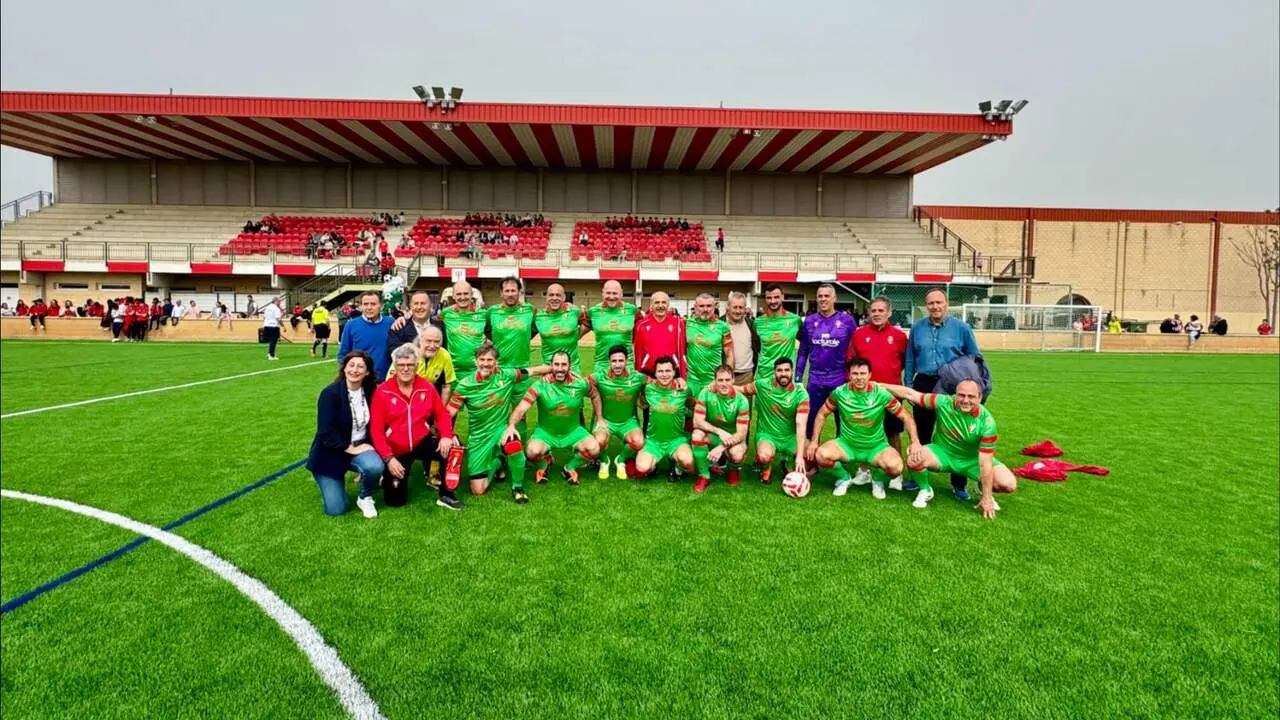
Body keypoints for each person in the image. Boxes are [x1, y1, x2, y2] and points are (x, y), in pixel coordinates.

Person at [879, 379, 1018, 519]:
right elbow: (911, 394)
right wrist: (878, 385)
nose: (965, 400)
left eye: (971, 396)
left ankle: (982, 488)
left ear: (980, 397)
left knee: (1008, 484)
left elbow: (985, 463)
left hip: (972, 460)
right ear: (955, 394)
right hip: (942, 453)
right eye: (961, 395)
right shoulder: (943, 402)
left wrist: (987, 498)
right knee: (914, 458)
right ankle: (925, 490)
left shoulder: (987, 423)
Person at [445, 342, 552, 499]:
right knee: (478, 490)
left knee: (514, 444)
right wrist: (448, 433)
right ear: (475, 361)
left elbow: (533, 370)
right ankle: (499, 461)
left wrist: (554, 370)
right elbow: (448, 413)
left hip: (501, 430)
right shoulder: (465, 385)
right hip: (479, 437)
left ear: (496, 362)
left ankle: (517, 488)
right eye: (482, 360)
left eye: (490, 360)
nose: (485, 364)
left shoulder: (506, 375)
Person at [807, 358, 921, 503]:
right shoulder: (840, 393)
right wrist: (814, 441)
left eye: (863, 373)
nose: (859, 377)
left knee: (896, 468)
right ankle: (844, 478)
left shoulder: (881, 394)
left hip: (875, 447)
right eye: (855, 374)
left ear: (869, 375)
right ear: (849, 375)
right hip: (847, 445)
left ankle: (877, 481)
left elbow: (906, 417)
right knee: (821, 455)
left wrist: (915, 441)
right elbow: (821, 414)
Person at [904, 288, 981, 500]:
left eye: (939, 302)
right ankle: (918, 476)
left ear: (946, 303)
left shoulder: (962, 328)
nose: (935, 306)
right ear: (926, 305)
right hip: (924, 383)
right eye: (931, 303)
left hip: (952, 385)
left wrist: (971, 387)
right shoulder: (917, 328)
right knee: (921, 432)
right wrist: (909, 384)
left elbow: (974, 357)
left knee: (958, 434)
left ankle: (959, 484)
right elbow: (910, 358)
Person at [369, 344, 460, 510]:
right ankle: (388, 475)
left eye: (410, 365)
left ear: (416, 366)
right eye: (401, 365)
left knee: (454, 447)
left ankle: (447, 494)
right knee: (395, 501)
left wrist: (447, 435)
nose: (405, 369)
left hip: (421, 441)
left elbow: (442, 414)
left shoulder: (427, 387)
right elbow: (376, 430)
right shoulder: (383, 392)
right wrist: (389, 459)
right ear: (395, 367)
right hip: (397, 449)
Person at [505, 351, 605, 498]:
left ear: (569, 366)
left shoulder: (580, 384)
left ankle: (569, 468)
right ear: (551, 366)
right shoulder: (540, 385)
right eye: (556, 364)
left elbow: (595, 395)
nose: (560, 368)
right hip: (546, 432)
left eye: (564, 364)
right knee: (531, 452)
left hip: (573, 431)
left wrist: (600, 418)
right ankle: (544, 464)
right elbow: (521, 409)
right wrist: (511, 425)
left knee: (594, 449)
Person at [306, 351, 386, 518]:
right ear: (344, 368)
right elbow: (325, 433)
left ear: (367, 372)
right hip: (331, 452)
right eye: (351, 365)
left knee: (374, 466)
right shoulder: (330, 394)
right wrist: (351, 448)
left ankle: (365, 497)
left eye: (360, 367)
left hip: (359, 446)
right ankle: (331, 481)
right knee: (336, 510)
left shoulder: (371, 392)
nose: (355, 370)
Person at [848, 296, 910, 490]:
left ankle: (896, 474)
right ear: (868, 312)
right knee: (865, 432)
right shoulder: (859, 334)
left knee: (893, 433)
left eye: (881, 310)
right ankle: (864, 470)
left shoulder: (899, 337)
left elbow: (906, 363)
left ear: (889, 312)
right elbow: (851, 362)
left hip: (891, 394)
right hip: (865, 394)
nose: (876, 314)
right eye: (873, 310)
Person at [796, 283, 857, 438]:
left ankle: (841, 451)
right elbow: (803, 352)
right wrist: (798, 378)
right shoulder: (809, 321)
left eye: (827, 296)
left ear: (834, 298)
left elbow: (855, 351)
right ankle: (811, 451)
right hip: (815, 379)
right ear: (816, 299)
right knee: (811, 420)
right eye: (820, 296)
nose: (823, 299)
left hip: (839, 378)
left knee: (843, 421)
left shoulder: (847, 321)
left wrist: (853, 375)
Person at [739, 357, 809, 485]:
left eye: (786, 370)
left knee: (811, 454)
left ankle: (788, 462)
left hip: (790, 437)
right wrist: (717, 386)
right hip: (768, 435)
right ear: (774, 372)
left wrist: (799, 456)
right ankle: (766, 468)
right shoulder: (762, 385)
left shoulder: (801, 394)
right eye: (779, 370)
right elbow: (741, 390)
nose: (783, 373)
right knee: (764, 456)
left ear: (792, 371)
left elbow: (801, 424)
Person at [590, 344, 650, 480]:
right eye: (614, 361)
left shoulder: (638, 377)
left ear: (626, 361)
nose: (617, 365)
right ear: (609, 362)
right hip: (606, 421)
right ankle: (604, 461)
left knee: (639, 442)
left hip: (628, 422)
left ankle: (620, 460)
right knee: (598, 442)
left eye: (621, 361)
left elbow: (659, 383)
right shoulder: (599, 377)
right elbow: (578, 383)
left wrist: (677, 382)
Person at [691, 365, 752, 492]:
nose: (724, 384)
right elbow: (697, 422)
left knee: (737, 454)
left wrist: (721, 448)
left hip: (733, 438)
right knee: (697, 435)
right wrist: (719, 432)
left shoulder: (742, 401)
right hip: (713, 434)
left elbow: (741, 433)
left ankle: (732, 469)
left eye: (727, 380)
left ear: (733, 380)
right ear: (715, 381)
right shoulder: (705, 393)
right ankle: (704, 475)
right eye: (720, 380)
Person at [634, 356, 695, 480]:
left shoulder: (684, 390)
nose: (664, 374)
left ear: (674, 372)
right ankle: (654, 466)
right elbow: (641, 403)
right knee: (642, 468)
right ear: (655, 373)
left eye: (668, 371)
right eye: (660, 371)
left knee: (688, 462)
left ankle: (677, 467)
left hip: (676, 441)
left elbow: (692, 404)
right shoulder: (649, 388)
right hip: (653, 441)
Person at [487, 276, 538, 411]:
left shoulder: (530, 310)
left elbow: (535, 329)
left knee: (520, 413)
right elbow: (486, 330)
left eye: (513, 290)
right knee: (497, 412)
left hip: (522, 370)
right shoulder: (492, 312)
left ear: (519, 292)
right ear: (501, 293)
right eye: (507, 291)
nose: (510, 294)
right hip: (499, 370)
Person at [582, 280, 642, 377]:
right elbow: (576, 335)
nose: (611, 297)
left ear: (621, 294)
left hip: (626, 365)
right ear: (602, 293)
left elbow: (644, 333)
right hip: (601, 365)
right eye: (608, 293)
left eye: (615, 293)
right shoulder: (593, 312)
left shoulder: (633, 311)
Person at [683, 293, 733, 397]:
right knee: (692, 408)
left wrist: (725, 379)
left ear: (714, 306)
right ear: (695, 307)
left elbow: (730, 355)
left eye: (709, 306)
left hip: (713, 382)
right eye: (701, 306)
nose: (705, 309)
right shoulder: (687, 324)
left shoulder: (723, 326)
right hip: (691, 381)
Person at [338, 291, 395, 378]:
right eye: (365, 304)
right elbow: (343, 354)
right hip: (360, 380)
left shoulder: (391, 323)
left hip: (385, 379)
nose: (369, 307)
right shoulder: (351, 325)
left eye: (373, 304)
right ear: (361, 306)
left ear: (381, 305)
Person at [754, 284, 803, 382]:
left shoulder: (795, 320)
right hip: (764, 376)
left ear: (782, 297)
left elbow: (803, 345)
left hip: (784, 375)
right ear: (765, 299)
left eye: (776, 297)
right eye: (769, 298)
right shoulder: (757, 322)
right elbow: (756, 346)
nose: (773, 301)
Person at [439, 281, 489, 376]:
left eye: (466, 293)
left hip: (478, 371)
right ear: (453, 296)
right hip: (452, 371)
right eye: (458, 294)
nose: (462, 297)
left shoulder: (483, 314)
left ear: (471, 295)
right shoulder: (445, 314)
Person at [634, 291, 686, 378]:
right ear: (651, 305)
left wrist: (682, 375)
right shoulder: (641, 325)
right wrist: (638, 374)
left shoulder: (678, 323)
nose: (660, 306)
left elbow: (681, 351)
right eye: (657, 302)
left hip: (671, 372)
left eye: (664, 302)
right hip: (648, 372)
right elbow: (638, 352)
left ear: (668, 305)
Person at [535, 283, 584, 374]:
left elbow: (587, 322)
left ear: (564, 297)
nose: (554, 298)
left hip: (572, 368)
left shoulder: (574, 311)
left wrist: (577, 335)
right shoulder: (538, 317)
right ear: (546, 297)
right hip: (548, 369)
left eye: (558, 295)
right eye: (551, 295)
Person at [387, 290, 444, 365]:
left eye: (423, 303)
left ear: (431, 306)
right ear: (411, 307)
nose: (419, 307)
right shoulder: (398, 328)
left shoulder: (440, 326)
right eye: (416, 304)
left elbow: (444, 351)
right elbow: (394, 354)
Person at [725, 292, 760, 386]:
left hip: (746, 376)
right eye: (735, 307)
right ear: (728, 307)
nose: (738, 311)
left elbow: (758, 348)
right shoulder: (720, 324)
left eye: (741, 307)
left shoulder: (751, 324)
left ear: (745, 308)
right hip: (724, 377)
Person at [261, 296, 286, 360]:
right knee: (273, 341)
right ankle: (271, 355)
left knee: (270, 341)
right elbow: (278, 319)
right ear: (276, 301)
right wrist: (283, 326)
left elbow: (264, 317)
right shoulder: (276, 309)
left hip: (266, 326)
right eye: (279, 301)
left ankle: (269, 353)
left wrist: (264, 324)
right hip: (273, 326)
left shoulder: (267, 308)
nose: (280, 303)